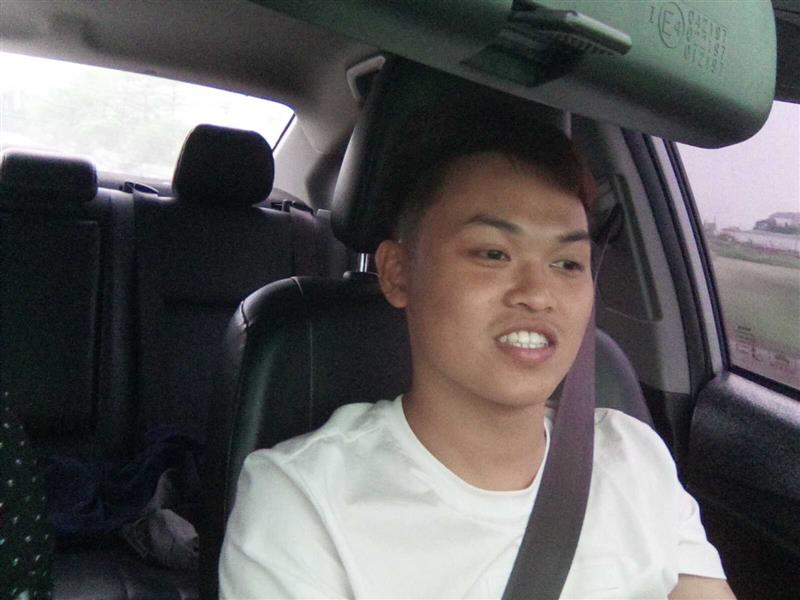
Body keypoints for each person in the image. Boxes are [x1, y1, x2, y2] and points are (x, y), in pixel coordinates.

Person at [218, 102, 735, 598]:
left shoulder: (635, 458)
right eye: (493, 253)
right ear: (397, 272)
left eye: (567, 263)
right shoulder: (303, 504)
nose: (538, 294)